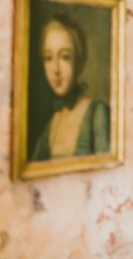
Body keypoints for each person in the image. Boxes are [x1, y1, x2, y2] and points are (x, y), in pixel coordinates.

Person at [31, 12, 110, 161]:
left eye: (65, 57)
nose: (56, 69)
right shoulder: (52, 121)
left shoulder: (97, 114)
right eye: (48, 58)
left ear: (79, 62)